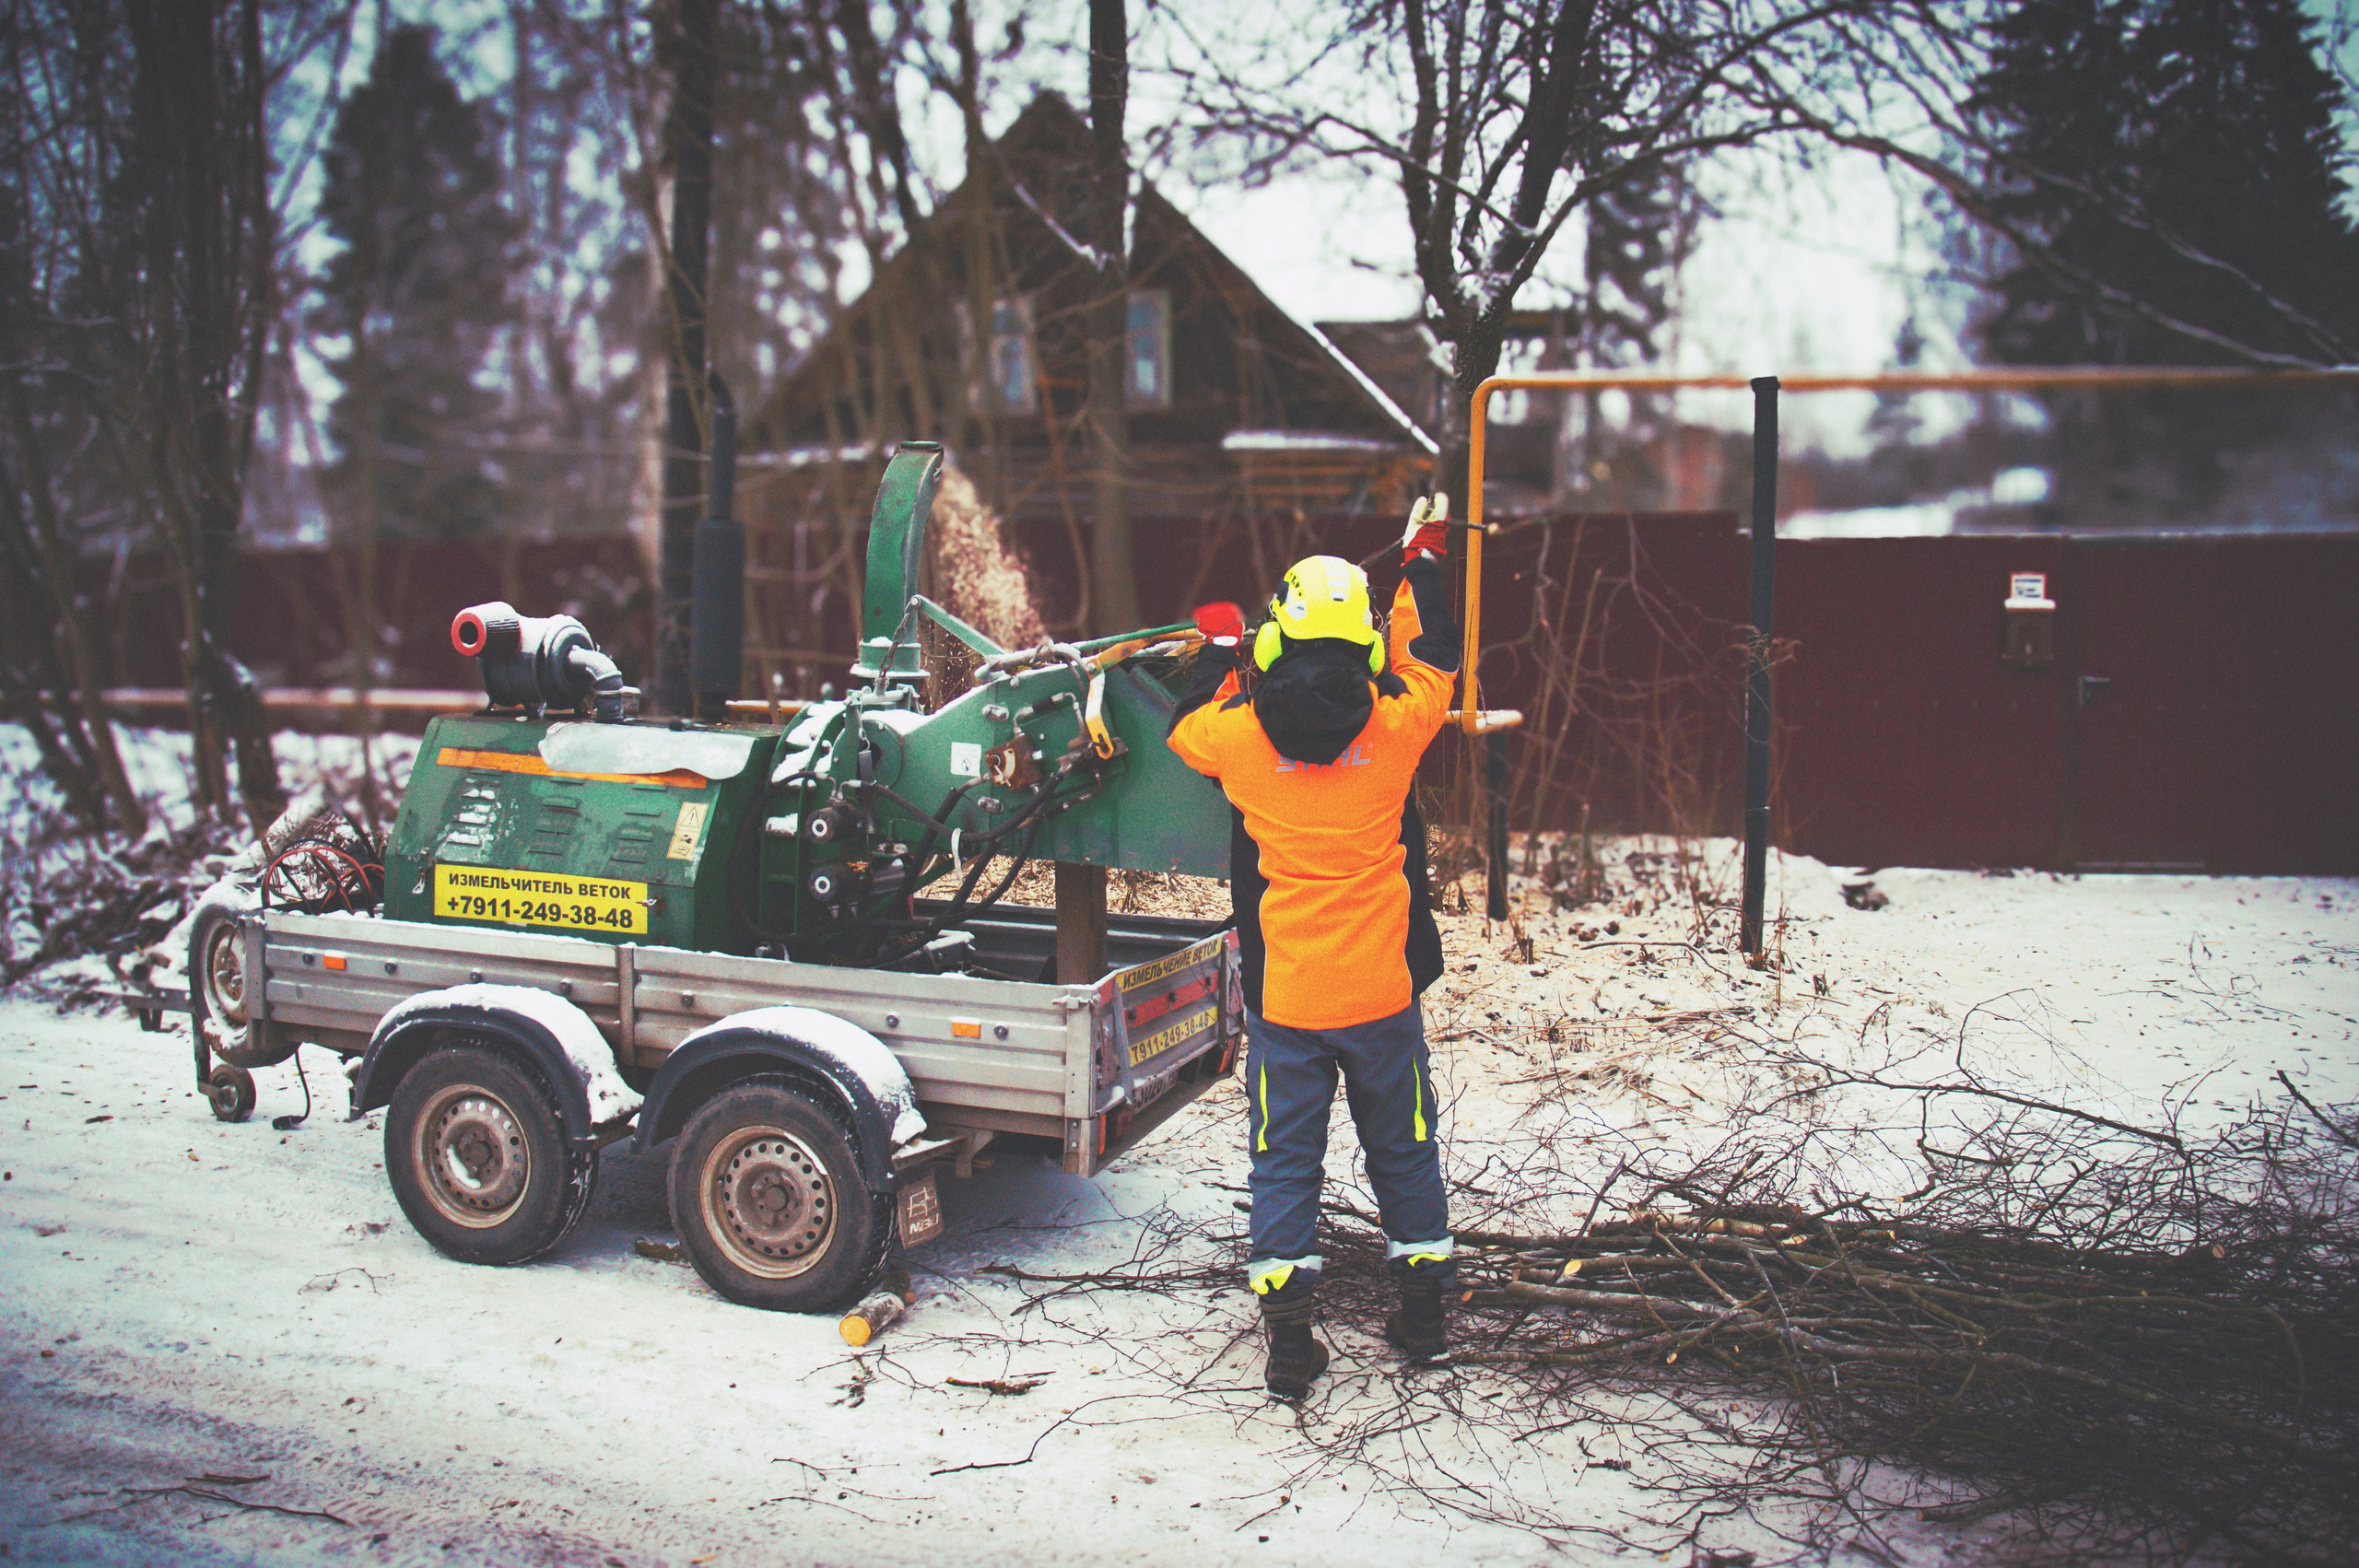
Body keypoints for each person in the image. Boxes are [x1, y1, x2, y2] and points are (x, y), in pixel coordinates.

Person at [1167, 497, 1461, 1400]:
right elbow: (1434, 658)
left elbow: (1185, 722)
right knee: (1405, 1150)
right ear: (1364, 651)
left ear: (1276, 644)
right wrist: (1422, 561)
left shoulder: (1239, 740)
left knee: (1283, 1161)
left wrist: (1220, 653)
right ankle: (1421, 1322)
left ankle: (1291, 1345)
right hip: (1381, 996)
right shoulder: (1396, 724)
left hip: (1289, 1004)